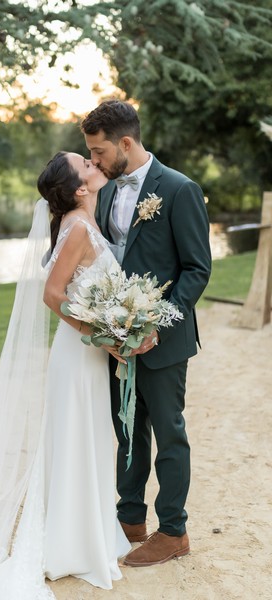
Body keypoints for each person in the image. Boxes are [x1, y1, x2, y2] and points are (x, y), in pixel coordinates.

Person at [0, 151, 130, 600]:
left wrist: (116, 329)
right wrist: (102, 335)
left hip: (87, 355)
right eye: (86, 163)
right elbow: (53, 295)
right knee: (76, 439)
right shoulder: (77, 227)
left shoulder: (81, 222)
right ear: (79, 188)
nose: (94, 163)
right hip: (79, 354)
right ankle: (72, 545)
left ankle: (88, 534)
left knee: (86, 438)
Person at [80, 100, 212, 567]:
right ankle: (130, 519)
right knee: (127, 429)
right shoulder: (109, 192)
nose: (93, 161)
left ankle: (173, 531)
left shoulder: (179, 189)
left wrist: (158, 323)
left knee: (169, 433)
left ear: (125, 143)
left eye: (98, 152)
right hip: (117, 337)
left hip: (164, 338)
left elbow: (197, 268)